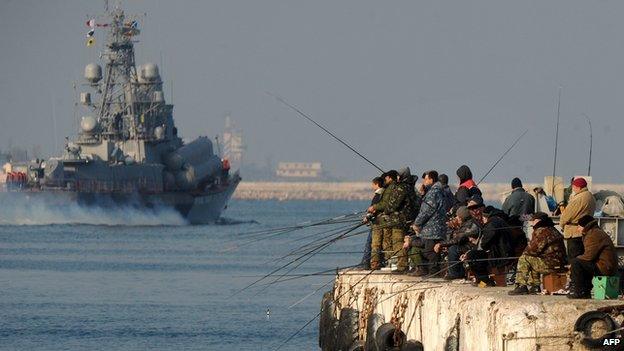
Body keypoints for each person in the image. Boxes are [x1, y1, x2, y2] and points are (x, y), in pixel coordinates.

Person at [508, 212, 567, 295]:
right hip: (559, 263)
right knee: (533, 259)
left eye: (533, 220)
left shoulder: (542, 231)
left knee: (524, 258)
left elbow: (533, 249)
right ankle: (535, 286)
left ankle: (521, 285)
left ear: (538, 220)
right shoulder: (553, 229)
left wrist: (525, 252)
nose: (531, 223)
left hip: (550, 264)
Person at [406, 170, 447, 276]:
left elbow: (426, 211)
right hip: (437, 227)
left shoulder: (434, 192)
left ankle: (433, 272)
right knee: (430, 250)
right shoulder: (439, 190)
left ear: (431, 179)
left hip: (432, 228)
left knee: (430, 252)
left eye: (426, 179)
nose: (424, 181)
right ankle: (431, 271)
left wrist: (417, 223)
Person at [568, 215, 618, 299]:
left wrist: (572, 264)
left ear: (584, 226)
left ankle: (578, 291)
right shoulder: (594, 232)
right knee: (582, 263)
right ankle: (585, 291)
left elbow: (589, 256)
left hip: (605, 267)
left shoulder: (593, 234)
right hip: (605, 266)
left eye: (579, 226)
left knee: (576, 263)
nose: (578, 229)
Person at [462, 205, 513, 286]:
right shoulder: (499, 220)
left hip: (498, 254)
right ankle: (482, 282)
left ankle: (484, 283)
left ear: (485, 216)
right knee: (473, 255)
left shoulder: (492, 223)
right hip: (501, 252)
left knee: (472, 256)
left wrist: (484, 246)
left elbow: (487, 239)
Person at [435, 206, 480, 280]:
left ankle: (455, 274)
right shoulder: (466, 224)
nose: (456, 218)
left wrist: (441, 244)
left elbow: (457, 239)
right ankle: (458, 272)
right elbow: (456, 238)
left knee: (453, 249)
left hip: (472, 247)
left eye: (458, 216)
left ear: (462, 217)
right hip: (467, 245)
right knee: (451, 248)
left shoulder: (470, 225)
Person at [560, 177, 596, 261]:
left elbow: (566, 216)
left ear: (578, 187)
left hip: (574, 232)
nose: (573, 188)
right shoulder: (590, 196)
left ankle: (575, 274)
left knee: (573, 260)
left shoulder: (578, 198)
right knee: (582, 259)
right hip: (585, 231)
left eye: (573, 187)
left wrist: (562, 225)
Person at [361, 176, 385, 270]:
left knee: (370, 243)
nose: (372, 186)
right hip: (380, 222)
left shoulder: (378, 195)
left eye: (373, 184)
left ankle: (366, 263)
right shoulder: (384, 193)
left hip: (376, 223)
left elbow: (374, 209)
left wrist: (367, 217)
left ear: (377, 184)